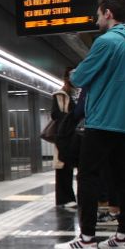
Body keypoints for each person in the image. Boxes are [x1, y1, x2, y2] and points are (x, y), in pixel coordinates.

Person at [56, 0, 125, 249]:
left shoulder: (106, 41)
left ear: (107, 13)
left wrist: (75, 74)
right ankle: (124, 236)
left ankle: (86, 239)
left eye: (97, 15)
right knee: (123, 178)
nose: (96, 20)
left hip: (102, 119)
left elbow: (80, 77)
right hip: (124, 121)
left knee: (87, 177)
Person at [50, 68, 78, 208]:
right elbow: (55, 114)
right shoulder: (60, 95)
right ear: (66, 78)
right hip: (65, 135)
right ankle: (64, 199)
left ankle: (75, 197)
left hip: (77, 135)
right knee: (63, 166)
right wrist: (71, 118)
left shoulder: (78, 93)